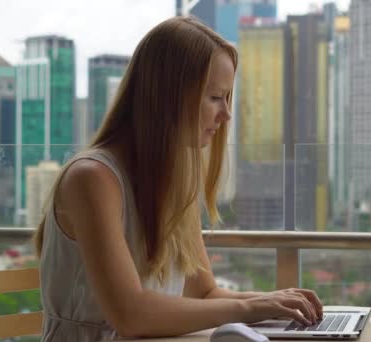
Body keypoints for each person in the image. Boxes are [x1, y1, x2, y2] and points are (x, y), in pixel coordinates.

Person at [34, 16, 323, 341]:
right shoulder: (92, 179)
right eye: (215, 97)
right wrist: (250, 308)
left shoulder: (174, 179)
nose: (226, 114)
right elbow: (131, 316)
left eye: (227, 98)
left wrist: (273, 303)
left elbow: (204, 295)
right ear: (167, 97)